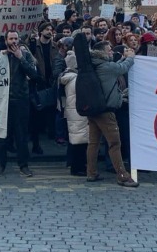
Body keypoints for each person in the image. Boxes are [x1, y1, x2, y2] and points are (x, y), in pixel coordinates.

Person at [85, 39, 138, 187]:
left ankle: (91, 172)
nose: (111, 52)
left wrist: (123, 58)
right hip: (106, 112)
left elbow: (115, 65)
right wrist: (130, 57)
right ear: (102, 52)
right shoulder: (106, 66)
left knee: (94, 142)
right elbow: (122, 68)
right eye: (109, 50)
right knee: (114, 143)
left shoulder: (93, 63)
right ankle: (122, 175)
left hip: (94, 109)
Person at [0, 31, 38, 178]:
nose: (14, 41)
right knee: (2, 135)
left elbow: (34, 74)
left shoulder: (25, 54)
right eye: (11, 39)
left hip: (21, 99)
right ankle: (0, 165)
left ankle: (23, 165)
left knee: (21, 134)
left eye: (16, 38)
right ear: (6, 40)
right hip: (3, 100)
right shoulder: (0, 55)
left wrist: (21, 58)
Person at [57, 49, 88, 177]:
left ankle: (75, 166)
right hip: (78, 114)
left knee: (75, 141)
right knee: (79, 142)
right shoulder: (75, 79)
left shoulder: (66, 77)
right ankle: (78, 168)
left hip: (72, 113)